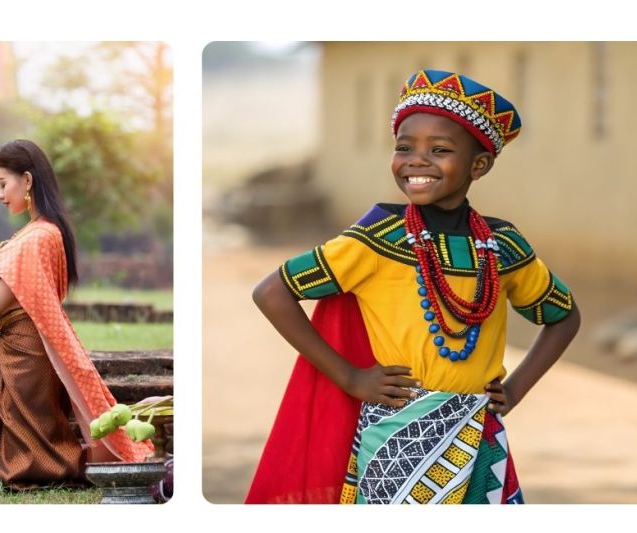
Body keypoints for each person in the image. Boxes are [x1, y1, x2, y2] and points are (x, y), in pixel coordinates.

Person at [246, 70, 581, 504]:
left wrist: (514, 390)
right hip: (394, 433)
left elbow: (564, 316)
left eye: (440, 150)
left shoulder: (501, 246)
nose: (417, 160)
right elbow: (272, 292)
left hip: (480, 433)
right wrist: (349, 376)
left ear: (478, 165)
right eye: (404, 148)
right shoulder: (378, 237)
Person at [0, 139, 152, 490]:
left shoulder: (37, 237)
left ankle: (58, 470)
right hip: (22, 347)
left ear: (27, 181)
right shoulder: (42, 232)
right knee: (30, 429)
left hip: (25, 352)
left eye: (3, 184)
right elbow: (9, 292)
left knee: (34, 439)